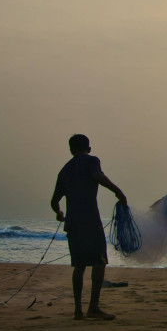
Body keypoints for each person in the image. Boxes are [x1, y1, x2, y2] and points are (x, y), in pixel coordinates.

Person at [50, 134, 127, 320]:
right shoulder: (92, 160)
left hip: (73, 223)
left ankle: (78, 310)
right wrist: (118, 191)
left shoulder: (65, 170)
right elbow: (97, 176)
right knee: (99, 262)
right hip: (90, 220)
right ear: (89, 148)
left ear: (70, 150)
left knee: (79, 265)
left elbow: (54, 201)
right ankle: (93, 307)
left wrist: (59, 214)